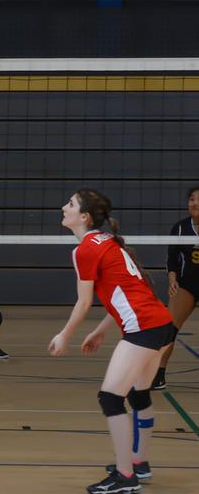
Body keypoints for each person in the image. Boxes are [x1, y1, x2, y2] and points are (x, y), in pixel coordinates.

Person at [49, 188, 176, 493]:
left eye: (70, 204)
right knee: (139, 395)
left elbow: (83, 303)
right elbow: (132, 288)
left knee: (110, 398)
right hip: (162, 324)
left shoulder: (85, 249)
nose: (63, 208)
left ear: (84, 217)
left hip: (144, 330)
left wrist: (64, 335)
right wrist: (103, 328)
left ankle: (125, 477)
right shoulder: (106, 241)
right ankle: (138, 463)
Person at [151, 185, 199, 390]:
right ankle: (158, 374)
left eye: (198, 199)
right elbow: (172, 259)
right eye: (191, 199)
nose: (195, 203)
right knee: (168, 330)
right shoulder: (180, 228)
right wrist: (172, 280)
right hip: (187, 285)